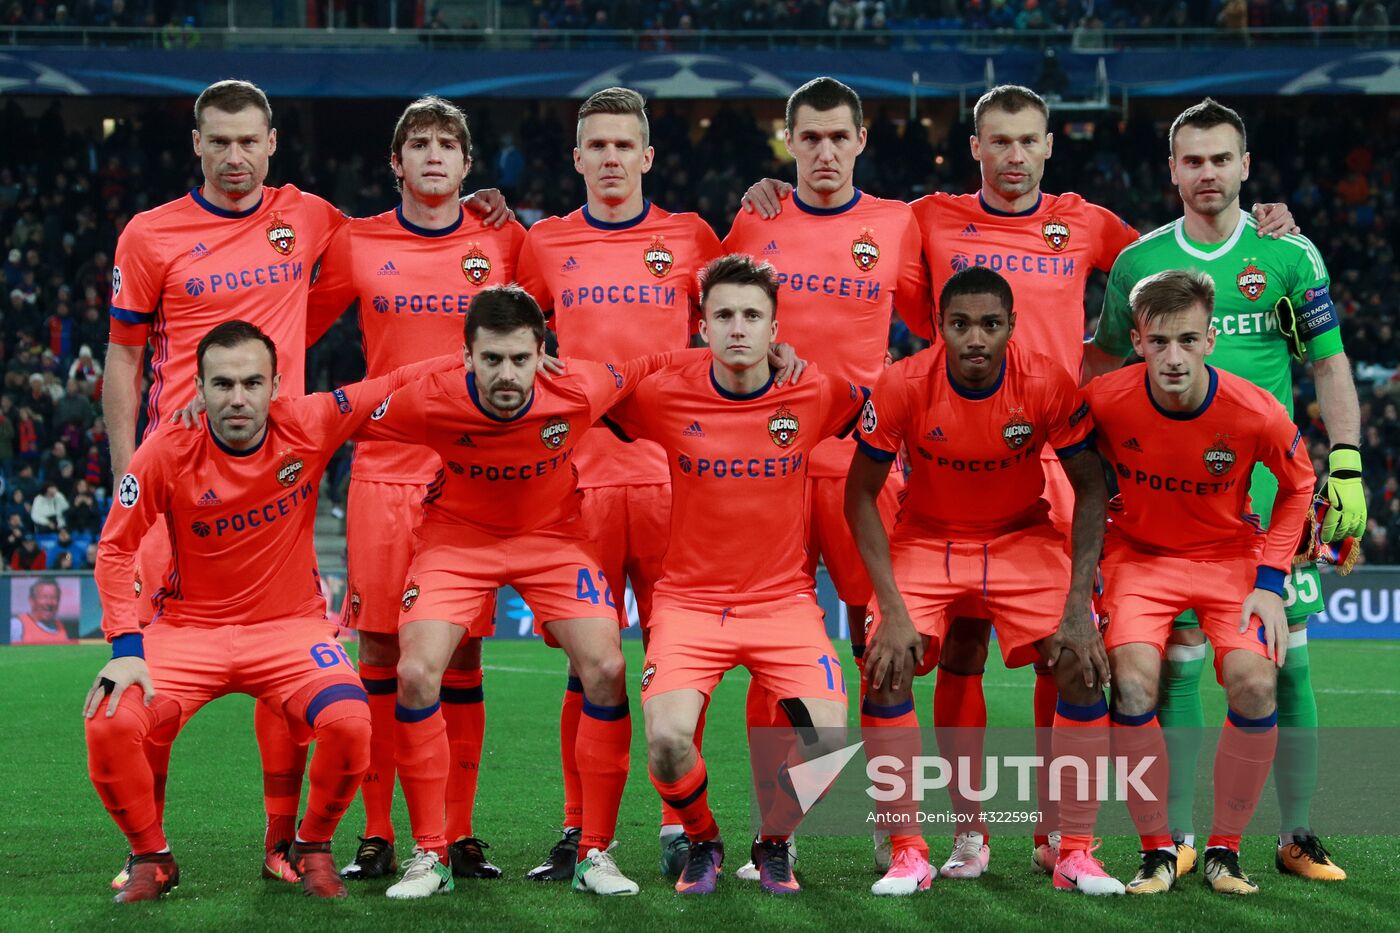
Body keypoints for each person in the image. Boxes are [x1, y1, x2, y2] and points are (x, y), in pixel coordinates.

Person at [743, 81, 1296, 876]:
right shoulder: (926, 217)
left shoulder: (1087, 222)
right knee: (950, 646)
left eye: (1028, 140)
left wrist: (1254, 226)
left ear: (1048, 146)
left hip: (1057, 456)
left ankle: (1056, 837)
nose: (1013, 155)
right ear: (975, 148)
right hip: (949, 453)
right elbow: (843, 245)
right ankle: (955, 832)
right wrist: (772, 190)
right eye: (998, 141)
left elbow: (1172, 265)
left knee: (1065, 651)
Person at [102, 77, 512, 889]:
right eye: (219, 140)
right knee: (148, 675)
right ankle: (147, 848)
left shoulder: (313, 217)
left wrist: (472, 206)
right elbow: (123, 356)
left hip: (276, 475)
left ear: (272, 144)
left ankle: (283, 840)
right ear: (196, 144)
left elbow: (411, 229)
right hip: (174, 477)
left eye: (248, 139)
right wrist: (126, 471)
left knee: (282, 670)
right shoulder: (149, 233)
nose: (234, 155)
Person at [353, 286, 796, 899]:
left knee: (608, 667)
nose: (506, 375)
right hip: (457, 541)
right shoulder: (430, 397)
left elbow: (657, 362)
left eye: (520, 359)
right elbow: (342, 413)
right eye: (490, 360)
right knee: (415, 671)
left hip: (553, 539)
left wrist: (759, 352)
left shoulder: (581, 387)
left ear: (543, 354)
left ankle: (595, 853)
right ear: (468, 358)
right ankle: (429, 854)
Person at [1083, 98, 1360, 882]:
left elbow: (1328, 362)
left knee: (1288, 665)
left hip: (1271, 504)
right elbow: (1103, 364)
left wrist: (1346, 462)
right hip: (1168, 506)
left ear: (1245, 165)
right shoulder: (1140, 263)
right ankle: (1177, 836)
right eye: (1193, 159)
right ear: (1172, 170)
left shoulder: (1289, 255)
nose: (1207, 172)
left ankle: (1296, 833)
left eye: (1221, 158)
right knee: (1174, 666)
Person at [85, 319, 456, 902]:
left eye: (252, 383)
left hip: (289, 629)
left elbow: (393, 381)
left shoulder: (309, 421)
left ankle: (310, 846)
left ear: (276, 385)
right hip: (189, 630)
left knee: (350, 720)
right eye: (223, 384)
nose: (238, 398)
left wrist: (473, 358)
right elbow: (114, 549)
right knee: (108, 721)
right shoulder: (167, 449)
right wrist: (125, 648)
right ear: (199, 389)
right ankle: (151, 857)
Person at [306, 96, 526, 884]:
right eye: (419, 143)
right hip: (383, 469)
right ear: (395, 161)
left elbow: (557, 327)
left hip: (472, 475)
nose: (434, 154)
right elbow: (290, 327)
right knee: (379, 649)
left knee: (461, 650)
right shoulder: (357, 241)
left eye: (447, 143)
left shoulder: (503, 239)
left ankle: (460, 832)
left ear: (468, 163)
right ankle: (376, 832)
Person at [723, 76, 933, 880]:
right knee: (774, 654)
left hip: (862, 466)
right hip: (765, 469)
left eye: (838, 136)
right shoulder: (755, 219)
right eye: (808, 137)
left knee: (884, 644)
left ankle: (901, 836)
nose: (823, 151)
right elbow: (712, 321)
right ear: (789, 142)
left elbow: (937, 328)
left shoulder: (897, 223)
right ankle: (776, 833)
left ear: (861, 140)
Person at [513, 86, 723, 881]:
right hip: (578, 487)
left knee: (676, 665)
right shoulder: (544, 242)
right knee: (587, 667)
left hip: (676, 484)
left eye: (622, 145)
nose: (610, 158)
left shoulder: (691, 236)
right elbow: (512, 341)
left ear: (647, 156)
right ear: (577, 158)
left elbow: (740, 319)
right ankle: (577, 829)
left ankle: (679, 824)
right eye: (596, 146)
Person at [847, 266, 1107, 896]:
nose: (975, 339)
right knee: (885, 663)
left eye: (990, 324)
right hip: (928, 538)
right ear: (939, 326)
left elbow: (1092, 487)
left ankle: (1072, 850)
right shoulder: (904, 383)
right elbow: (859, 496)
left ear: (1012, 326)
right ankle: (910, 849)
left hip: (1021, 536)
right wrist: (891, 609)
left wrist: (1079, 603)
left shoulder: (1045, 381)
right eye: (960, 324)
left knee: (1081, 660)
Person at [1056, 268, 1313, 896]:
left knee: (1256, 685)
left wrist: (1271, 580)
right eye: (1160, 341)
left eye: (1189, 340)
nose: (1174, 357)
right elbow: (1058, 451)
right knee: (1133, 686)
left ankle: (1225, 850)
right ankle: (1157, 853)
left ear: (1210, 339)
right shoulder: (1105, 399)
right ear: (1137, 341)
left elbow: (1300, 484)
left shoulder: (1254, 411)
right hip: (1139, 559)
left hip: (1229, 559)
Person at [607, 254, 856, 896]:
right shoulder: (665, 395)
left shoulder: (814, 391)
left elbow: (877, 412)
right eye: (723, 316)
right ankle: (703, 839)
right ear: (702, 327)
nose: (737, 328)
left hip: (783, 603)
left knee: (831, 740)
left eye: (751, 315)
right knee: (667, 741)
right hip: (690, 603)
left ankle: (773, 841)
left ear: (775, 329)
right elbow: (596, 396)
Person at [9, 577, 73, 644]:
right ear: (32, 601)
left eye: (54, 597)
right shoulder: (17, 625)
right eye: (44, 597)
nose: (49, 602)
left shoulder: (61, 628)